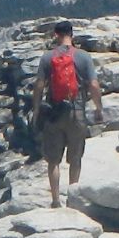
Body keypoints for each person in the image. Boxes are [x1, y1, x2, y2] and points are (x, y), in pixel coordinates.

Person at [33, 19, 102, 206]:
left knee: (53, 160)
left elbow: (39, 86)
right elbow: (93, 85)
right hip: (77, 111)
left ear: (56, 35)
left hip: (54, 112)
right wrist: (98, 108)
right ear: (72, 34)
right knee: (75, 159)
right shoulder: (83, 57)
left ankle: (55, 200)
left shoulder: (47, 57)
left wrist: (37, 110)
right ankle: (73, 199)